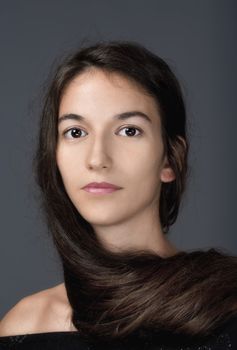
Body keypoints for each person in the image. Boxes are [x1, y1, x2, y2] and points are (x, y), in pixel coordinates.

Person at [0, 40, 237, 349]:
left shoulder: (225, 303)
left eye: (128, 130)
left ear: (171, 159)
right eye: (76, 132)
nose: (97, 158)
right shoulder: (25, 325)